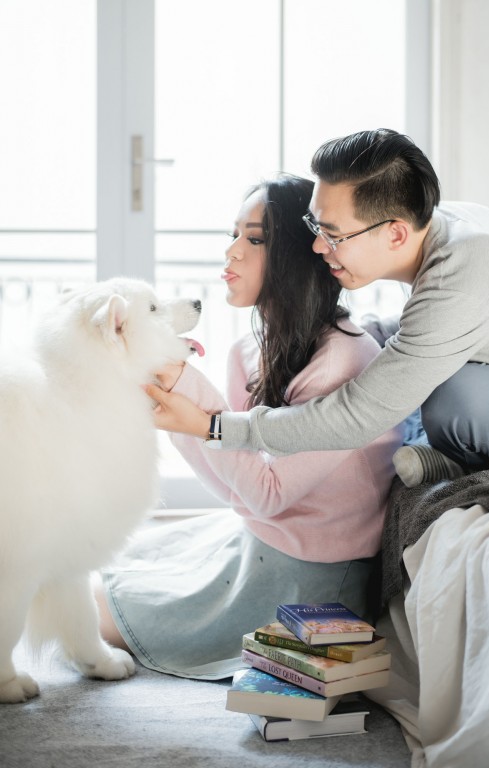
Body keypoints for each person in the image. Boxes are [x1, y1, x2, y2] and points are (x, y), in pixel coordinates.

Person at [95, 174, 402, 679]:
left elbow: (267, 493)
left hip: (312, 576)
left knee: (94, 610)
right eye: (234, 234)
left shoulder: (342, 361)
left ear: (302, 254)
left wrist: (200, 411)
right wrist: (190, 418)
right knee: (113, 563)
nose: (232, 251)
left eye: (255, 239)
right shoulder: (251, 349)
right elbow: (237, 490)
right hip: (262, 539)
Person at [158, 129, 489, 487]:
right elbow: (422, 329)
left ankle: (456, 461)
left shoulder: (456, 281)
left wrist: (214, 427)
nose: (316, 246)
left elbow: (357, 416)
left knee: (452, 401)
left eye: (332, 234)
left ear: (395, 234)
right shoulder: (440, 225)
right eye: (314, 225)